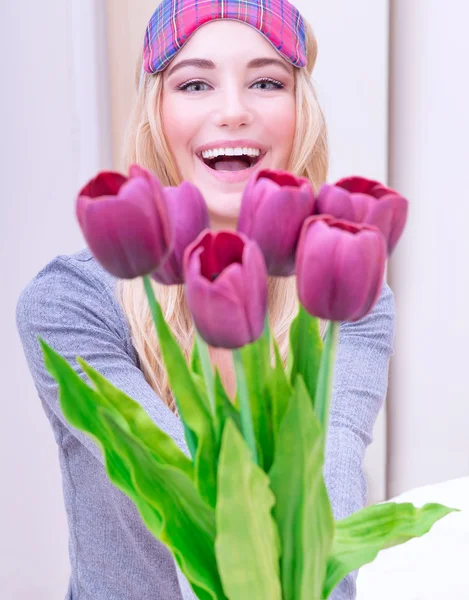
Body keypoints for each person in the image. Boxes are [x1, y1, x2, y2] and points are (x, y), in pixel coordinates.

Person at [15, 1, 396, 599]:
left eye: (267, 82)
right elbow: (183, 491)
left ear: (302, 111)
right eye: (194, 83)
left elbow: (333, 493)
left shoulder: (350, 291)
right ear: (156, 113)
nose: (233, 111)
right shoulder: (72, 302)